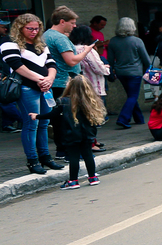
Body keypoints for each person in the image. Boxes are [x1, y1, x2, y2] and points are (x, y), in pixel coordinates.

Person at [1, 14, 64, 174]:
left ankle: (45, 158)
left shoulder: (40, 43)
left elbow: (51, 63)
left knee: (44, 123)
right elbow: (16, 65)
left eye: (37, 28)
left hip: (45, 87)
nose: (34, 31)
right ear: (20, 27)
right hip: (26, 87)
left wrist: (49, 79)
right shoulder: (9, 42)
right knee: (31, 124)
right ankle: (33, 160)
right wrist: (41, 80)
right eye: (30, 28)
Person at [30, 75, 105, 188]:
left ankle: (73, 181)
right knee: (88, 155)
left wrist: (37, 116)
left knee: (73, 157)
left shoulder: (63, 101)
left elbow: (52, 114)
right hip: (88, 134)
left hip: (71, 134)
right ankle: (92, 177)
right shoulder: (91, 101)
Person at [108, 17, 151, 129]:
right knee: (133, 96)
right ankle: (123, 119)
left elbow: (110, 60)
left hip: (120, 72)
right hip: (135, 72)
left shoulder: (113, 41)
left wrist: (111, 72)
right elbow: (146, 60)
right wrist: (147, 70)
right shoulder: (137, 41)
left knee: (131, 96)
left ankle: (139, 118)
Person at [70, 25, 108, 152]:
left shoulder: (71, 48)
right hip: (93, 85)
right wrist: (106, 68)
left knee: (84, 115)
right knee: (93, 116)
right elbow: (98, 68)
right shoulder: (87, 49)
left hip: (78, 85)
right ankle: (91, 143)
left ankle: (93, 141)